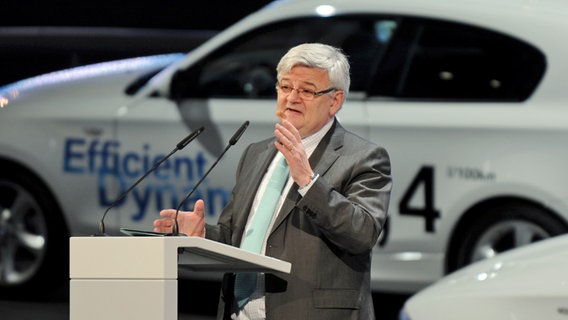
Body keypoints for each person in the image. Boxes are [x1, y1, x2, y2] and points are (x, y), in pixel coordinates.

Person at [153, 43, 392, 320]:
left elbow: (362, 234)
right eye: (285, 87)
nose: (292, 98)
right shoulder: (256, 153)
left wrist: (307, 180)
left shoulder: (364, 158)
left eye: (306, 90)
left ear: (335, 100)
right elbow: (239, 240)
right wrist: (204, 236)